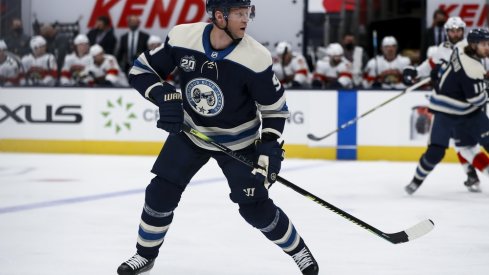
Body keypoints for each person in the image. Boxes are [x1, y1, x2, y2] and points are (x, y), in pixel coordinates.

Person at [116, 1, 319, 275]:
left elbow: (274, 108)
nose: (245, 20)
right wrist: (163, 95)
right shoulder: (182, 37)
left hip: (239, 142)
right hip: (191, 133)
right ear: (220, 16)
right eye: (239, 14)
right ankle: (145, 255)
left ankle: (300, 253)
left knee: (255, 209)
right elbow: (141, 70)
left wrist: (269, 144)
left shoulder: (256, 57)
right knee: (159, 193)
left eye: (247, 13)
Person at [403, 17, 488, 191]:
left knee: (468, 146)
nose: (455, 33)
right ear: (447, 32)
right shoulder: (445, 49)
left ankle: (471, 174)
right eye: (452, 30)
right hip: (449, 105)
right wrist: (416, 72)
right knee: (450, 149)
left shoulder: (472, 46)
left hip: (471, 104)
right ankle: (468, 174)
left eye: (458, 30)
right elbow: (431, 65)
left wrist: (440, 72)